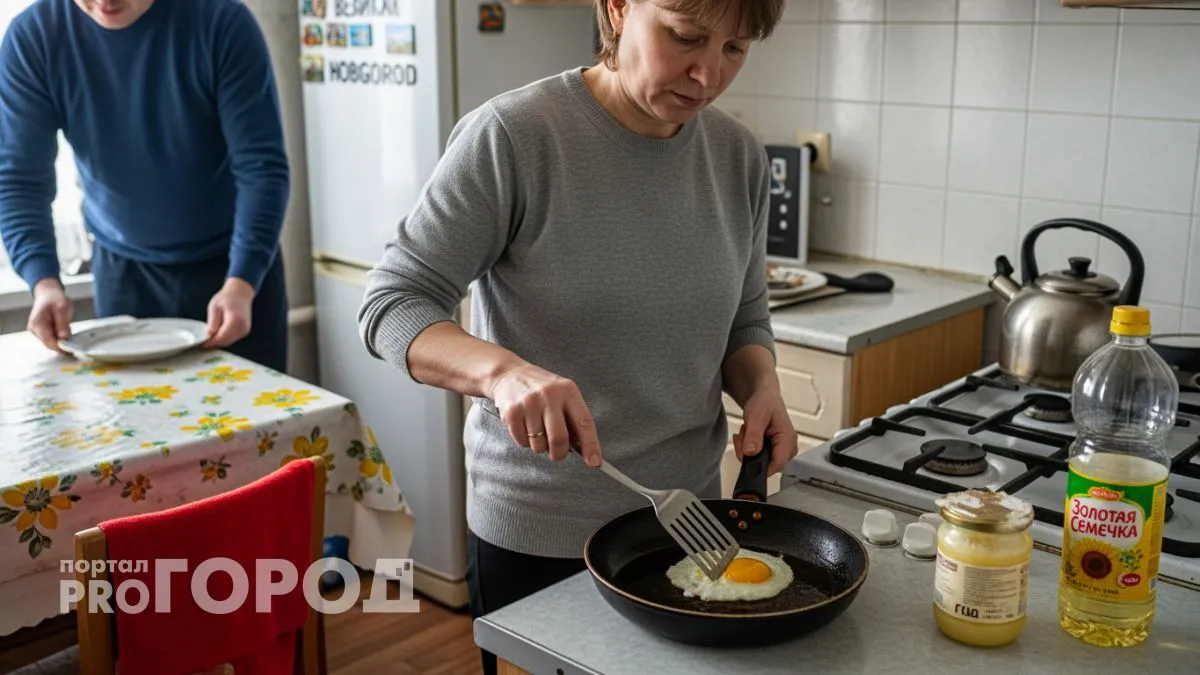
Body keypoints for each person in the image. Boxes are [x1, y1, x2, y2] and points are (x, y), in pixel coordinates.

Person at [357, 0, 789, 671]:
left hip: (688, 522)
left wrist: (761, 385)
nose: (707, 75)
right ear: (617, 9)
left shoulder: (739, 159)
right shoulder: (515, 136)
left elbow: (745, 318)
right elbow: (392, 301)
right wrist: (500, 372)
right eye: (686, 38)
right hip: (540, 532)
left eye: (735, 50)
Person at [0, 0, 291, 372]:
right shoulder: (34, 37)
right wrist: (43, 282)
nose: (105, 2)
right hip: (123, 275)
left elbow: (261, 168)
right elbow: (20, 180)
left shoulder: (221, 20)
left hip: (234, 271)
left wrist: (242, 282)